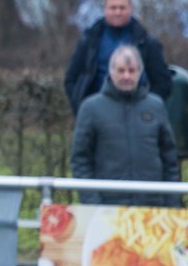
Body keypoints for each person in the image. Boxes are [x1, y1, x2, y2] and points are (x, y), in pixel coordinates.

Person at [70, 45, 179, 206]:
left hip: (152, 209)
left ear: (140, 72)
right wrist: (92, 203)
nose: (127, 76)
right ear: (111, 71)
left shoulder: (156, 106)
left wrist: (171, 202)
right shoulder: (91, 108)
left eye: (132, 70)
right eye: (121, 70)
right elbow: (80, 160)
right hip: (107, 207)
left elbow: (169, 158)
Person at [64, 0, 172, 115]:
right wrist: (82, 107)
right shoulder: (88, 42)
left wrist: (148, 111)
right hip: (97, 115)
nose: (117, 12)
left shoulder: (148, 44)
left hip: (136, 117)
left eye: (122, 8)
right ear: (104, 10)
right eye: (113, 8)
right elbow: (71, 79)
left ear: (130, 9)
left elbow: (163, 83)